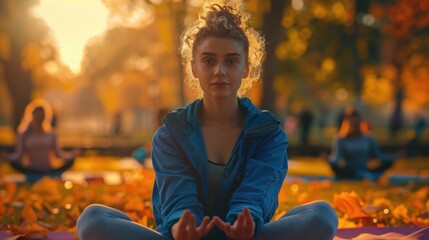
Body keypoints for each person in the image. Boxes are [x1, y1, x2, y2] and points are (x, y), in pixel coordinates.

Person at [76, 2, 338, 240]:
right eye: (208, 60)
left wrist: (242, 223)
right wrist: (181, 226)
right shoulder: (171, 134)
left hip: (247, 238)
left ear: (246, 68)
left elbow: (258, 190)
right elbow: (177, 196)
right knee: (93, 220)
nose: (219, 71)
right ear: (193, 67)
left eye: (231, 61)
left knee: (322, 215)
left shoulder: (268, 133)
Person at [0, 99, 79, 183]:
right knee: (15, 164)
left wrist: (71, 155)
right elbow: (19, 155)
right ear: (32, 116)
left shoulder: (52, 134)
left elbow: (58, 154)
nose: (39, 120)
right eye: (37, 117)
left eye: (41, 117)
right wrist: (8, 157)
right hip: (31, 170)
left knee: (68, 163)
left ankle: (49, 176)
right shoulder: (24, 134)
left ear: (46, 117)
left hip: (49, 169)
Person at [328, 108, 396, 180]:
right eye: (353, 124)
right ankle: (360, 175)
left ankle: (365, 174)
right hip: (349, 171)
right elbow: (337, 158)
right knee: (335, 167)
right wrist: (329, 160)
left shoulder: (369, 138)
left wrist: (393, 156)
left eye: (357, 123)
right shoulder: (341, 139)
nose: (355, 126)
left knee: (389, 162)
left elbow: (378, 155)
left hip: (365, 169)